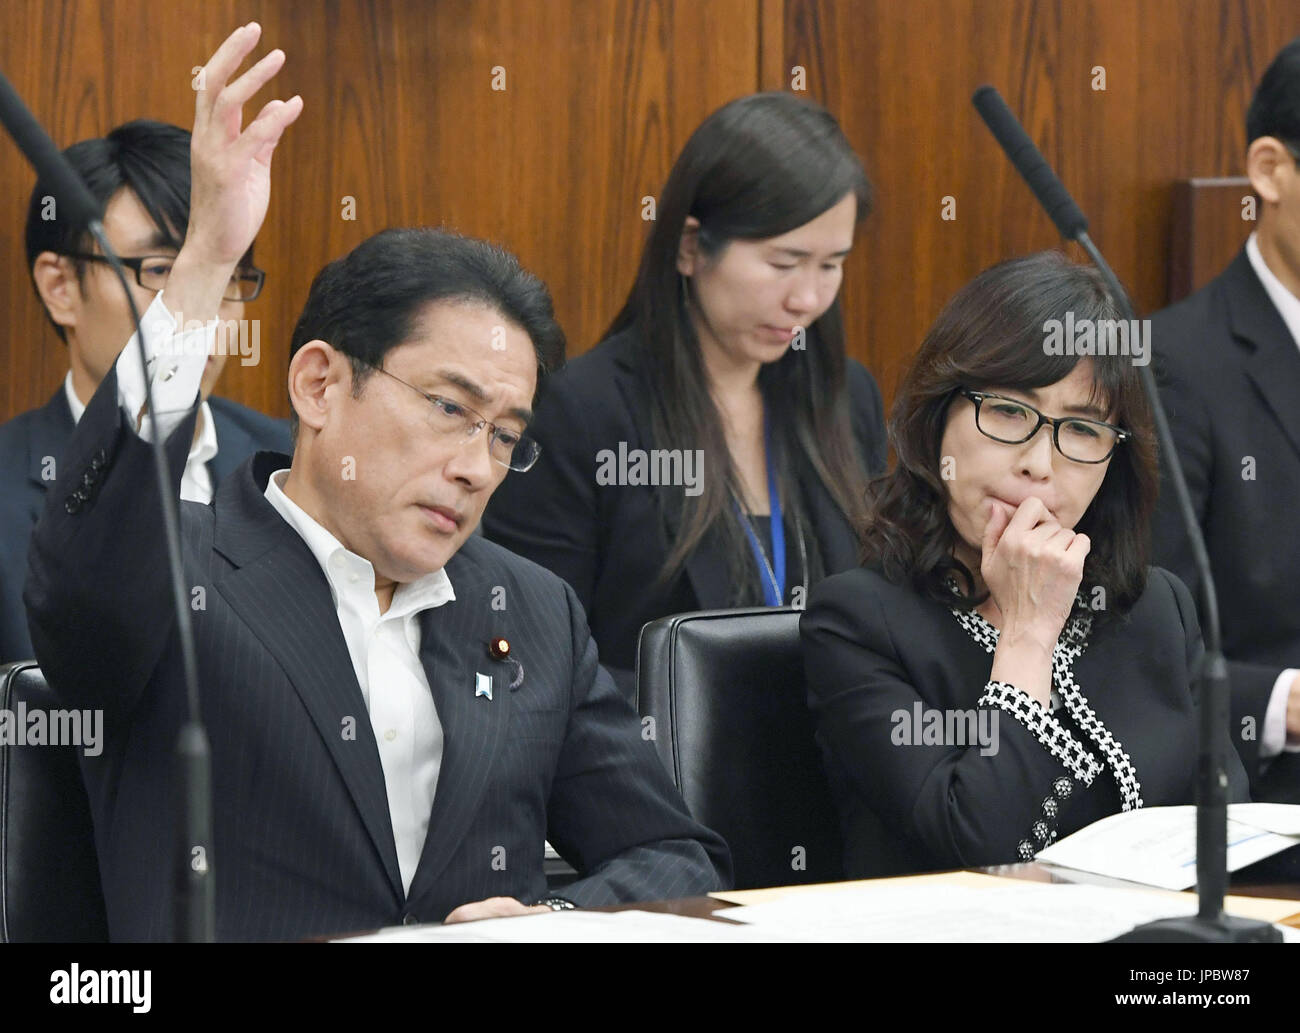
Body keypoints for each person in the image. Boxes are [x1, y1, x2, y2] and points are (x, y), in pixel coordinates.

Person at [25, 23, 729, 942]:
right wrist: (202, 264)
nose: (476, 465)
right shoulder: (178, 575)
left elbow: (675, 856)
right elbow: (82, 563)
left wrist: (548, 918)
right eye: (447, 408)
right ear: (319, 383)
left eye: (504, 435)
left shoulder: (531, 609)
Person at [800, 252, 1250, 879]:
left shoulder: (1157, 611)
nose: (1040, 463)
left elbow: (1229, 839)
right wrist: (1028, 635)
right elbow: (979, 843)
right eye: (1010, 412)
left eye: (1083, 429)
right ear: (938, 418)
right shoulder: (857, 623)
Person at [482, 92, 886, 696]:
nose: (807, 299)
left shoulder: (846, 395)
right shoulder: (585, 412)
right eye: (784, 263)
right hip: (656, 772)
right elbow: (538, 654)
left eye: (831, 265)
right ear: (691, 247)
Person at [0, 118, 290, 663]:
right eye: (163, 271)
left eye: (224, 274)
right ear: (61, 288)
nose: (202, 310)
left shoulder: (291, 463)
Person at [1149, 35, 1300, 803]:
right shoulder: (1176, 363)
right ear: (1269, 169)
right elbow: (1144, 644)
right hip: (1269, 798)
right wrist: (1283, 703)